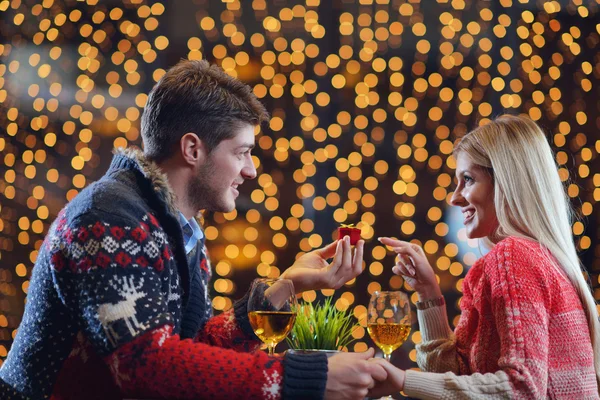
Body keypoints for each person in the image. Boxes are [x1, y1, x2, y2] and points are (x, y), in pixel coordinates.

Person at [0, 60, 387, 400]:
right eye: (242, 152)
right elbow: (146, 366)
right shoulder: (109, 219)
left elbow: (188, 350)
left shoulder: (179, 229)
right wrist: (304, 378)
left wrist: (284, 288)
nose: (251, 170)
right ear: (192, 149)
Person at [370, 115, 600, 399]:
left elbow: (522, 389)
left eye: (467, 179)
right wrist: (428, 292)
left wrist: (404, 381)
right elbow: (460, 380)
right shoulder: (535, 259)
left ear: (506, 181)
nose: (454, 198)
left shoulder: (515, 257)